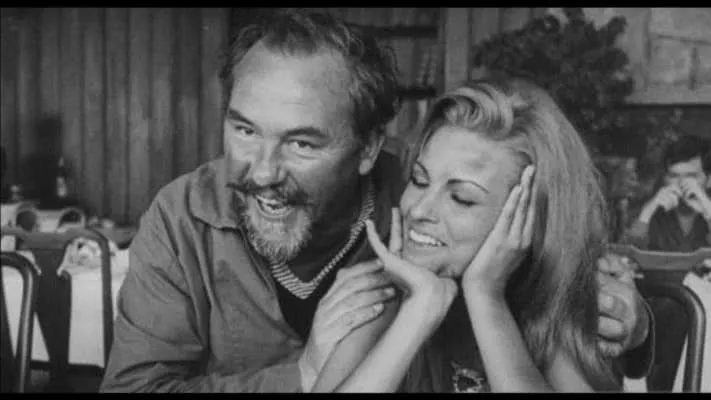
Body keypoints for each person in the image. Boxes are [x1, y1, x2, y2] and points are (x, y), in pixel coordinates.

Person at [100, 9, 653, 393]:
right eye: (244, 130)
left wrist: (636, 320)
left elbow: (561, 259)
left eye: (301, 143)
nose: (262, 171)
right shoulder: (181, 217)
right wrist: (303, 372)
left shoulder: (414, 221)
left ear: (368, 148)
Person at [622, 134, 711, 252]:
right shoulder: (649, 211)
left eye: (691, 176)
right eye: (674, 176)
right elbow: (628, 254)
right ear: (665, 178)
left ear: (709, 180)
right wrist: (647, 213)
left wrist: (708, 211)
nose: (682, 183)